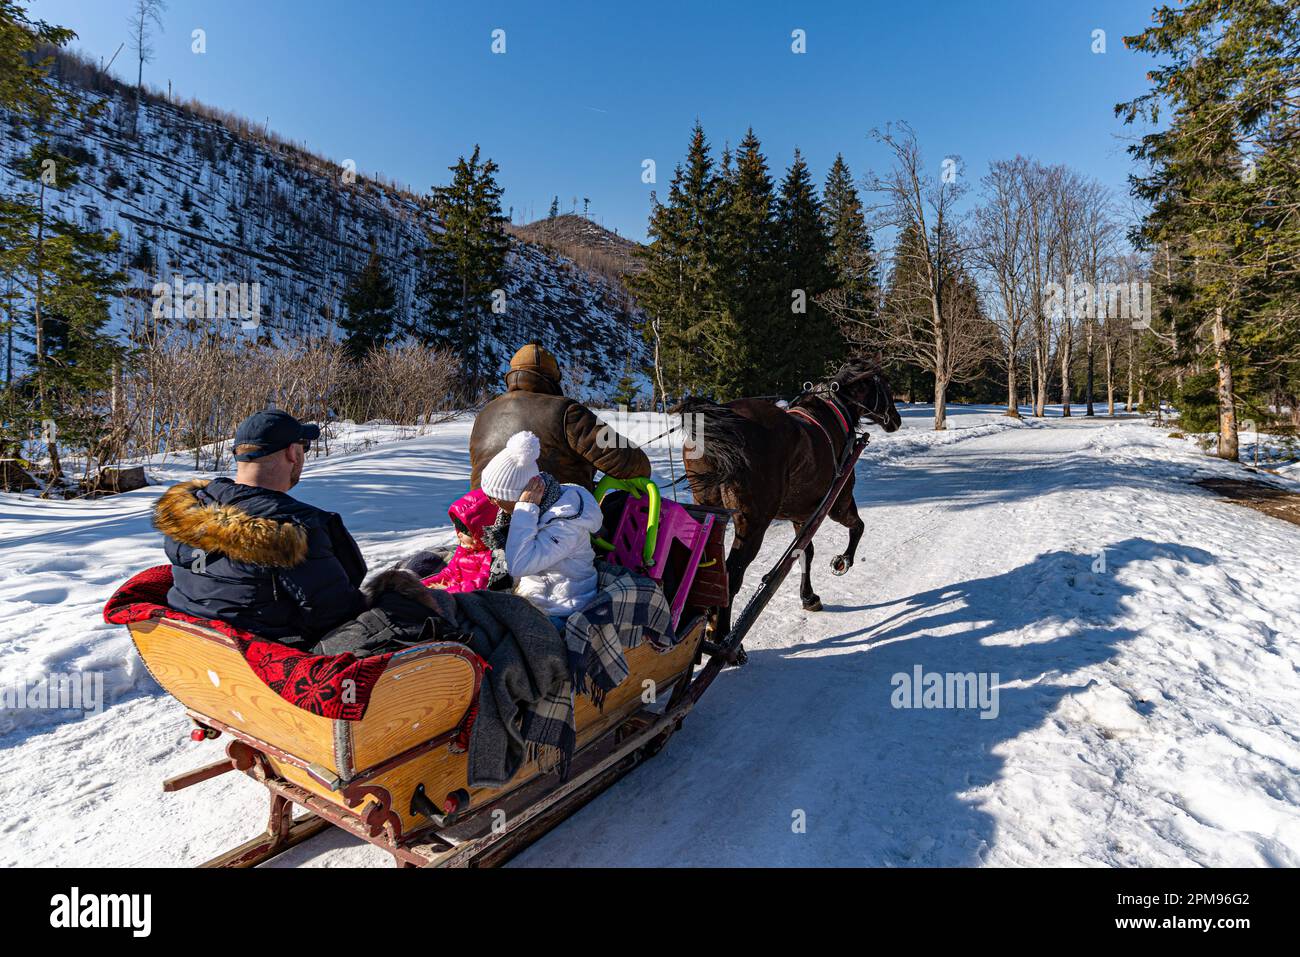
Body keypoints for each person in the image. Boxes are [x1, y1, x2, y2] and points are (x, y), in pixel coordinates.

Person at [153, 410, 367, 647]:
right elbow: (337, 613)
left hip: (196, 642)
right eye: (303, 447)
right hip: (264, 656)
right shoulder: (293, 527)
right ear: (292, 453)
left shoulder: (194, 506)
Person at [469, 343, 651, 493]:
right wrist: (641, 463)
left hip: (484, 524)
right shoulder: (566, 411)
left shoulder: (484, 414)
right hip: (552, 524)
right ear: (553, 377)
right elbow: (622, 459)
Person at [479, 430, 604, 632]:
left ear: (522, 496)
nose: (490, 502)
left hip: (563, 606)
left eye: (494, 496)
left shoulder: (564, 524)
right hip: (537, 596)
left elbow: (518, 565)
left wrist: (525, 510)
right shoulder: (539, 505)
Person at [421, 488, 505, 593]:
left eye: (464, 532)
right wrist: (420, 586)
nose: (458, 534)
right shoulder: (465, 548)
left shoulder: (494, 556)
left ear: (481, 532)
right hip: (454, 590)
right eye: (458, 529)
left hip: (470, 599)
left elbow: (482, 585)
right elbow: (448, 573)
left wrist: (446, 591)